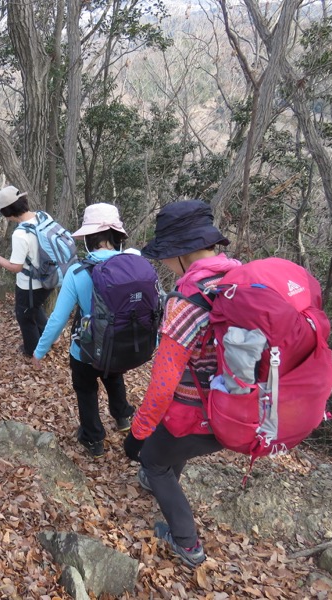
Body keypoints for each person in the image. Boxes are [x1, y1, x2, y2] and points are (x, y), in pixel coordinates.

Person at [123, 199, 241, 568]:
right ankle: (158, 473)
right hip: (240, 410)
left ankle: (187, 543)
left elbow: (163, 383)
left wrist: (138, 434)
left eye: (166, 254)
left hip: (195, 413)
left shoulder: (188, 299)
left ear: (182, 252)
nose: (163, 262)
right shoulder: (241, 278)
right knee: (173, 451)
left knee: (153, 461)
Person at [30, 204, 135, 458]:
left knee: (86, 390)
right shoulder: (133, 264)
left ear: (88, 239)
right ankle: (122, 417)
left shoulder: (77, 273)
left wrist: (39, 351)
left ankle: (94, 440)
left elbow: (57, 319)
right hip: (119, 344)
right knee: (113, 377)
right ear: (118, 237)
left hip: (86, 349)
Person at [0, 186, 52, 357]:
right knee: (35, 307)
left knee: (25, 316)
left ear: (7, 212)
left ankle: (33, 351)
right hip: (50, 276)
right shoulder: (44, 216)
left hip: (30, 284)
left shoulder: (20, 234)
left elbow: (16, 267)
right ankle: (48, 339)